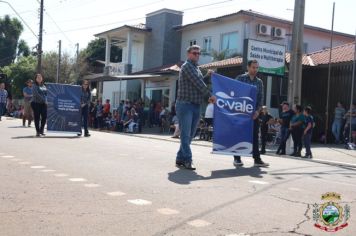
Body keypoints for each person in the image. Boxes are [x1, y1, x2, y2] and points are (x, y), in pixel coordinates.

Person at [175, 45, 216, 170]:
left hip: (196, 105)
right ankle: (188, 159)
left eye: (198, 53)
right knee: (186, 134)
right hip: (185, 105)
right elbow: (198, 84)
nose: (197, 55)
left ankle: (179, 157)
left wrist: (208, 76)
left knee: (190, 135)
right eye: (194, 53)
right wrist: (210, 96)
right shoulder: (186, 66)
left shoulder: (196, 68)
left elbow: (198, 82)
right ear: (188, 54)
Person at [232, 60, 269, 167]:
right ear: (248, 67)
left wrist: (258, 111)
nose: (255, 70)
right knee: (239, 135)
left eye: (257, 68)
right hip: (240, 112)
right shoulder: (240, 78)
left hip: (254, 114)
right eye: (253, 67)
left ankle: (257, 159)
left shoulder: (259, 82)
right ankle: (237, 159)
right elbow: (233, 92)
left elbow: (261, 98)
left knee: (254, 136)